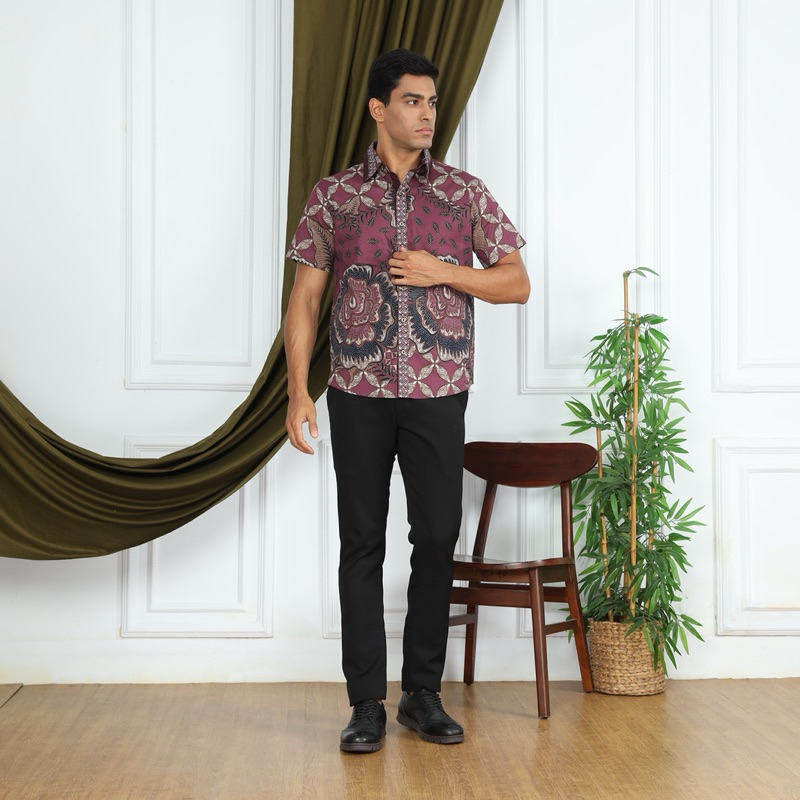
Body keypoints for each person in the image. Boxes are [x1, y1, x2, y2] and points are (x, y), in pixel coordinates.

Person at [284, 48, 529, 753]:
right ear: (378, 108)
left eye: (432, 101)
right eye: (412, 101)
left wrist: (442, 271)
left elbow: (516, 282)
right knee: (361, 542)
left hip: (438, 393)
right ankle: (365, 704)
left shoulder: (463, 193)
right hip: (356, 392)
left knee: (437, 536)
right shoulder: (334, 197)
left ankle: (422, 695)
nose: (427, 114)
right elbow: (305, 300)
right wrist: (298, 391)